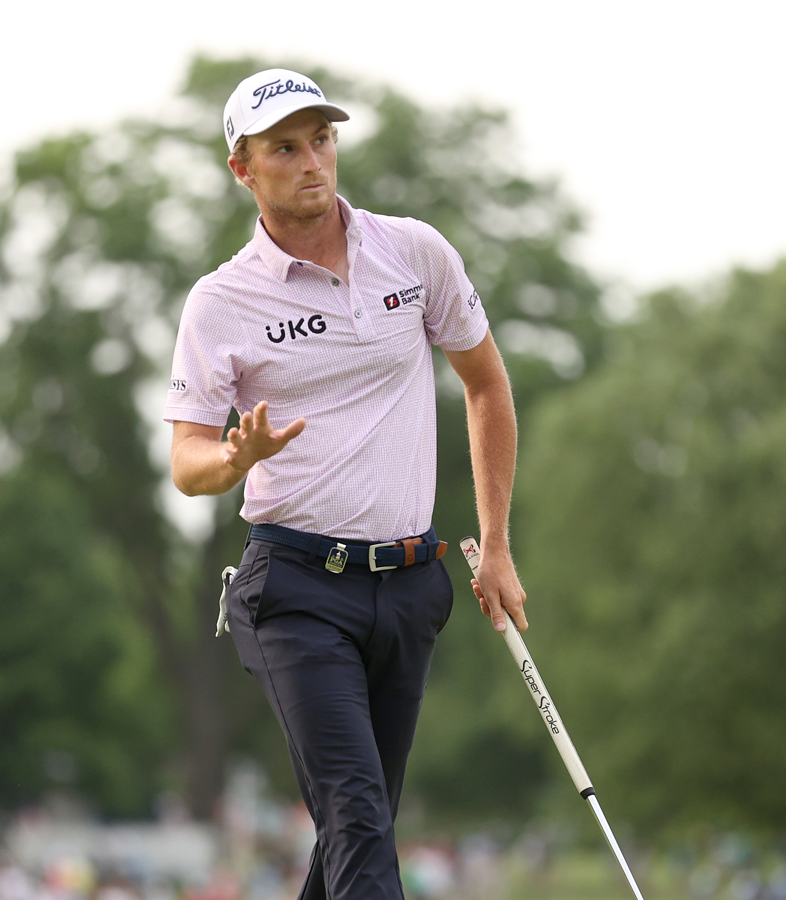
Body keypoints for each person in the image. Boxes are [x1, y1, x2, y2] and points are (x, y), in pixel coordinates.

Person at [164, 67, 529, 900]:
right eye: (284, 148)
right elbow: (188, 464)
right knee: (359, 817)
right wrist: (235, 458)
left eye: (321, 138)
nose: (312, 160)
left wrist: (497, 544)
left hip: (408, 586)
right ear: (243, 169)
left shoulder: (414, 252)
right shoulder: (221, 302)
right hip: (294, 589)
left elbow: (485, 385)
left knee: (354, 834)